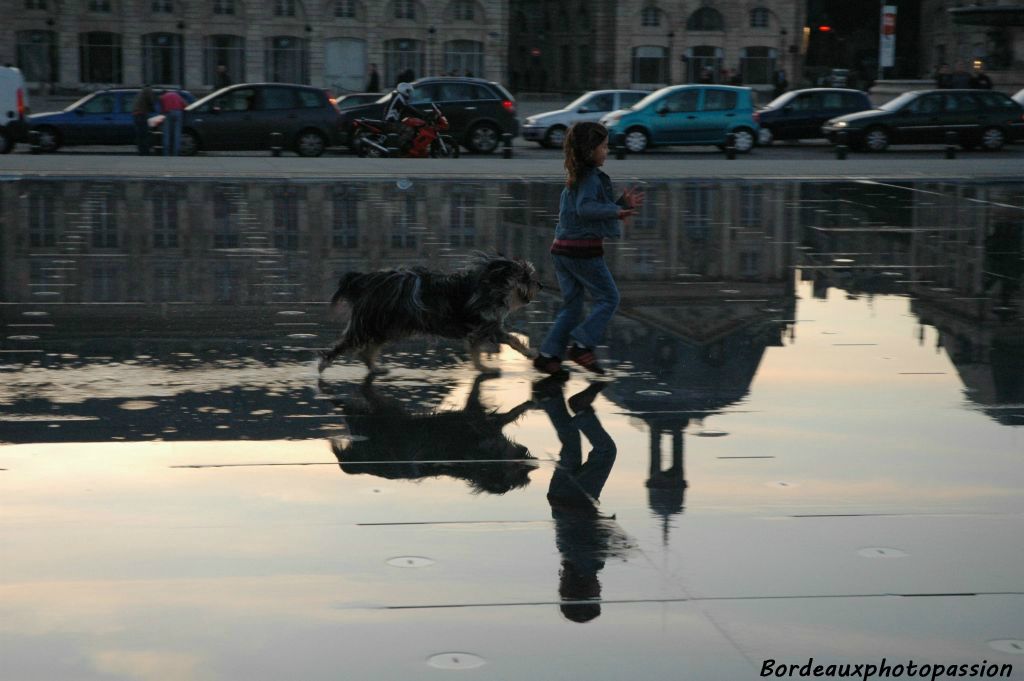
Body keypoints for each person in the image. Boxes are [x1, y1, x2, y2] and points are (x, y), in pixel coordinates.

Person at [534, 122, 643, 376]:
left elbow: (587, 209)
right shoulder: (591, 178)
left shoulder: (577, 176)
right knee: (609, 298)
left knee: (572, 306)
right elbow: (587, 209)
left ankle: (549, 355)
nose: (607, 151)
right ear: (589, 150)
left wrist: (620, 203)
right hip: (581, 251)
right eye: (603, 147)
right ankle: (582, 345)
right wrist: (616, 211)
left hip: (562, 250)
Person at [383, 81, 427, 150]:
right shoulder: (399, 97)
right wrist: (421, 115)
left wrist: (421, 112)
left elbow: (406, 110)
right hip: (390, 122)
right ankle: (398, 147)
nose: (409, 94)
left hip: (392, 121)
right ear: (404, 90)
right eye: (408, 91)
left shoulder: (398, 96)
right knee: (409, 130)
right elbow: (408, 108)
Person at [158, 89, 187, 156]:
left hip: (168, 113)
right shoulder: (177, 95)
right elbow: (185, 105)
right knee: (177, 133)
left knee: (167, 133)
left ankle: (166, 153)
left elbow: (161, 110)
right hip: (178, 113)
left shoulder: (163, 97)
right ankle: (176, 153)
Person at [130, 86, 156, 156]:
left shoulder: (140, 93)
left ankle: (141, 151)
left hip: (136, 114)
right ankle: (145, 151)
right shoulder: (148, 90)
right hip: (141, 114)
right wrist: (153, 109)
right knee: (144, 134)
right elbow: (151, 101)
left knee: (139, 134)